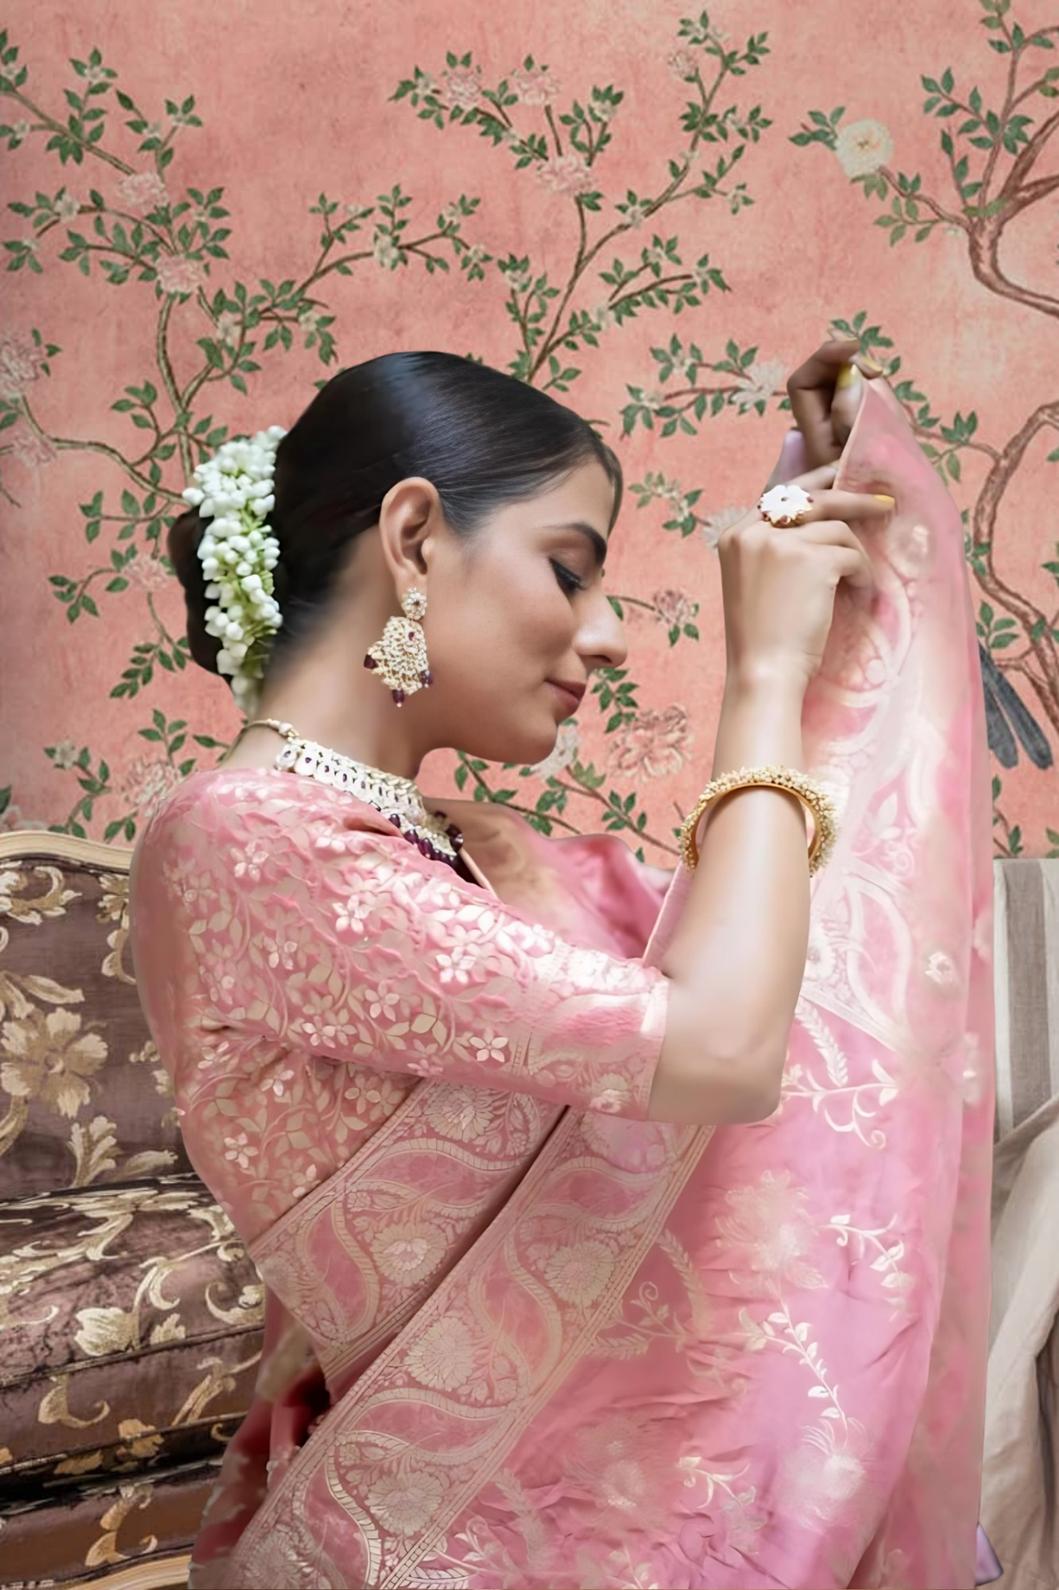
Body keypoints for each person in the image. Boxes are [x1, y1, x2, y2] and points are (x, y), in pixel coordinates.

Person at [127, 343, 997, 1588]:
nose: (609, 636)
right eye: (569, 569)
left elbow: (757, 975)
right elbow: (720, 1053)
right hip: (471, 1530)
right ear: (417, 537)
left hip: (557, 1501)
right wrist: (762, 675)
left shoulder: (456, 849)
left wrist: (830, 518)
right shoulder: (246, 838)